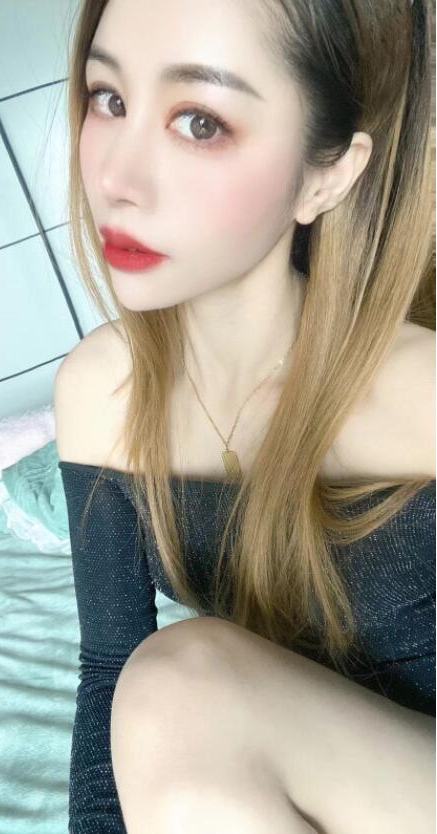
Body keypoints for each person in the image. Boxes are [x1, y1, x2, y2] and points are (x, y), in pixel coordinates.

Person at [55, 0, 436, 831]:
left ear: (325, 176)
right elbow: (107, 668)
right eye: (109, 99)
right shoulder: (101, 389)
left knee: (178, 690)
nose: (117, 178)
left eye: (199, 122)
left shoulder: (425, 395)